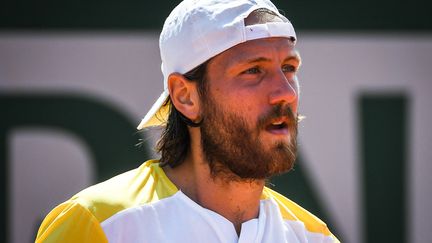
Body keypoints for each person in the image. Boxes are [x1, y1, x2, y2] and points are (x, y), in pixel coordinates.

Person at [36, 0, 339, 242]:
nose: (284, 93)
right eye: (253, 71)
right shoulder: (97, 225)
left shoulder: (315, 237)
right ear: (185, 97)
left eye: (288, 68)